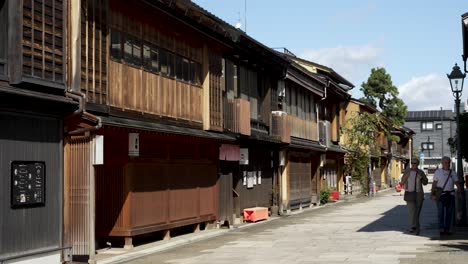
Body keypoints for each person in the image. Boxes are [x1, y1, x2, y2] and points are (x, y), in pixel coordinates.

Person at [431, 156, 462, 236]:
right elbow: (434, 184)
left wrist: (460, 192)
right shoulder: (438, 172)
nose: (447, 164)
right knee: (441, 213)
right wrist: (433, 194)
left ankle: (447, 229)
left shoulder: (453, 172)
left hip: (451, 195)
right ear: (442, 163)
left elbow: (457, 183)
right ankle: (441, 228)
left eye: (448, 162)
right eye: (445, 162)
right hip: (441, 195)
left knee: (449, 213)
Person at [401, 159, 428, 235]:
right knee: (411, 211)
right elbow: (402, 181)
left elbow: (425, 182)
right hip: (409, 193)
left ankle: (415, 226)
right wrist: (407, 175)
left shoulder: (421, 172)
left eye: (415, 163)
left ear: (418, 164)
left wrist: (422, 178)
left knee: (417, 211)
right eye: (412, 163)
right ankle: (414, 227)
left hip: (419, 194)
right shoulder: (407, 171)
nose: (413, 164)